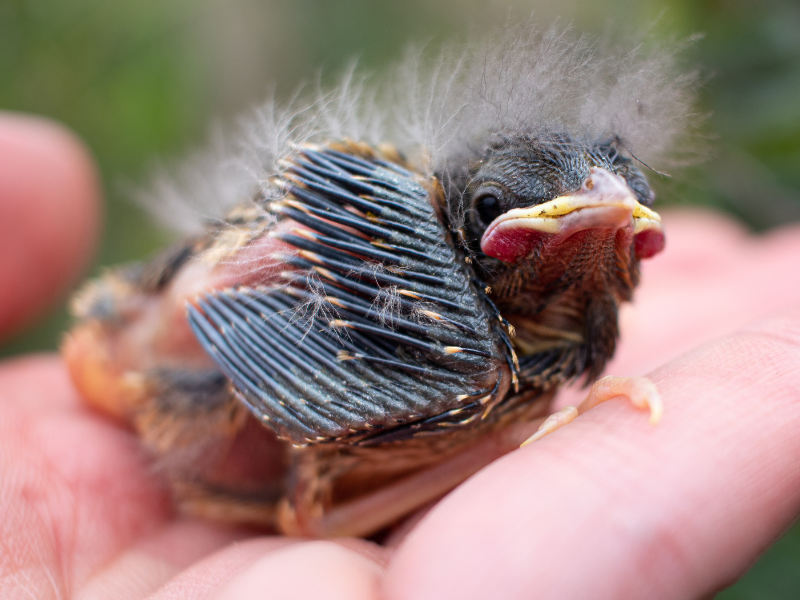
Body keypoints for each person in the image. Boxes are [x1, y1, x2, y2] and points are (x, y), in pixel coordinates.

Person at [1, 111, 799, 600]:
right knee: (474, 382)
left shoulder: (508, 343)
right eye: (494, 207)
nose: (600, 211)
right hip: (176, 374)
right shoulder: (464, 352)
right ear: (470, 218)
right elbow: (307, 491)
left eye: (623, 205)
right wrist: (507, 435)